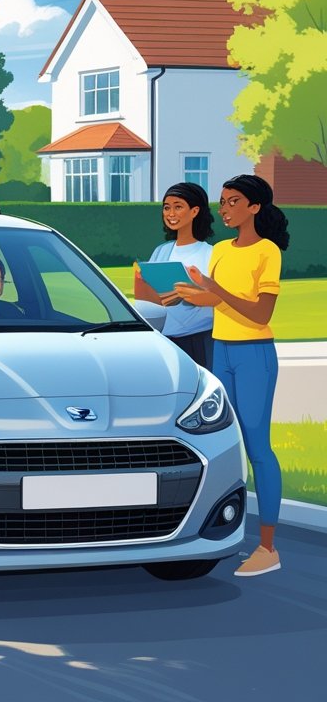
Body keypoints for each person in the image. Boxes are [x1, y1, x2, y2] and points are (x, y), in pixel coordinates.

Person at [175, 174, 289, 578]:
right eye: (222, 202)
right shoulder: (222, 249)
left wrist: (215, 292)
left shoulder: (267, 251)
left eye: (233, 201)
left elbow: (260, 312)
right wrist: (187, 293)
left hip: (254, 353)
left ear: (255, 207)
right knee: (226, 444)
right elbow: (216, 301)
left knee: (257, 447)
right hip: (220, 350)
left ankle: (268, 548)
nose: (224, 209)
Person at [134, 182, 215, 369]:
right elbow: (149, 300)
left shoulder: (211, 253)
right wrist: (141, 283)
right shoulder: (161, 251)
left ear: (195, 211)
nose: (170, 214)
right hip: (164, 339)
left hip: (198, 340)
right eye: (166, 207)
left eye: (178, 207)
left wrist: (191, 294)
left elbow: (218, 298)